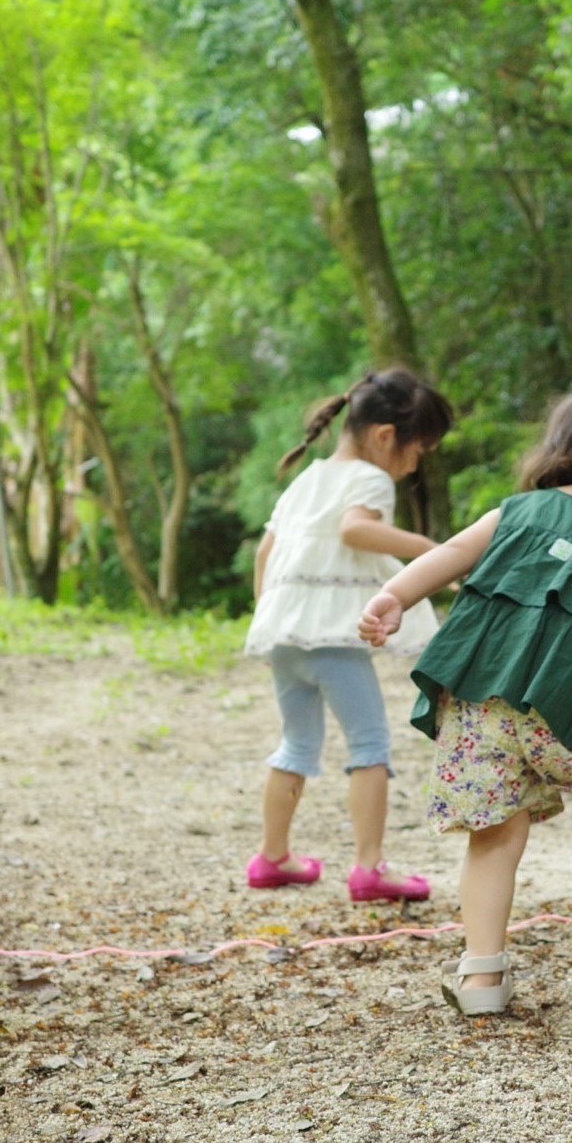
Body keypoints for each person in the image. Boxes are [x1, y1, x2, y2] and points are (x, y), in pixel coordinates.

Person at [358, 355, 572, 1015]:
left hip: (479, 702)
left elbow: (449, 554)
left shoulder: (518, 510)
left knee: (495, 833)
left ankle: (481, 976)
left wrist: (394, 594)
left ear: (560, 448)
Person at [244, 367, 453, 902]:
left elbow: (265, 554)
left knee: (296, 742)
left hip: (287, 634)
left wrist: (271, 615)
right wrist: (431, 549)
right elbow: (354, 530)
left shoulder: (307, 479)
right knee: (370, 745)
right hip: (334, 637)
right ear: (386, 436)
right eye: (417, 452)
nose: (413, 467)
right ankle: (368, 868)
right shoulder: (369, 479)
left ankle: (272, 857)